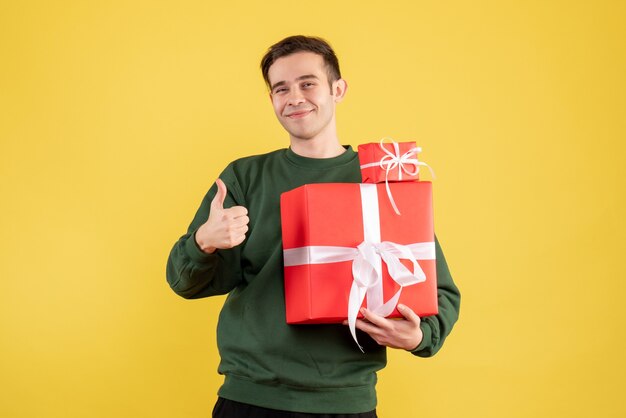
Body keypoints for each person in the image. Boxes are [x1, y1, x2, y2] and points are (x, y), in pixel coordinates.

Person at [166, 35, 461, 418]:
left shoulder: (381, 179)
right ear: (271, 99)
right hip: (251, 398)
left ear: (338, 89)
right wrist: (205, 241)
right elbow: (182, 281)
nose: (294, 97)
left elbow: (439, 292)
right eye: (281, 88)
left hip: (346, 401)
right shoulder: (244, 177)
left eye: (308, 83)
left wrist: (420, 335)